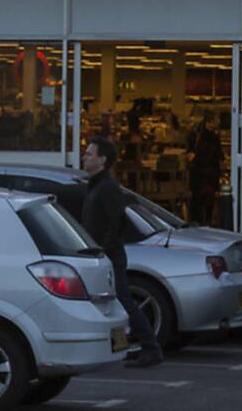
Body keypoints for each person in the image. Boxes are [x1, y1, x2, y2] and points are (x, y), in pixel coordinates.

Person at [80, 137, 164, 368]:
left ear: (103, 160)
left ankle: (150, 347)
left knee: (123, 300)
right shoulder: (96, 185)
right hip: (102, 255)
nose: (84, 157)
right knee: (115, 303)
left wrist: (104, 248)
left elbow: (117, 220)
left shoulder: (107, 187)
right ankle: (124, 345)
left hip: (110, 256)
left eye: (89, 153)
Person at [186, 114, 224, 227]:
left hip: (199, 173)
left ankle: (196, 221)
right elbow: (219, 155)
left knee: (198, 199)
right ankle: (207, 221)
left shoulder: (196, 135)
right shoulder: (213, 137)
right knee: (208, 199)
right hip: (209, 173)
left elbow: (190, 153)